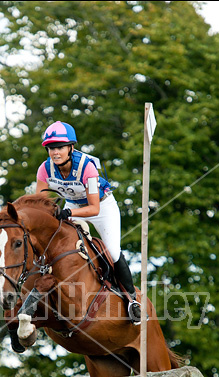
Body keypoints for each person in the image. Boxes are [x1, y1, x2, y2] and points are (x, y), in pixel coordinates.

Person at [36, 120, 141, 324]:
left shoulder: (87, 167)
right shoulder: (44, 169)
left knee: (112, 250)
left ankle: (131, 299)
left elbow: (94, 209)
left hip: (101, 207)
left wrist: (67, 213)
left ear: (71, 148)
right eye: (51, 148)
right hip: (72, 206)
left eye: (59, 147)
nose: (55, 152)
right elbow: (40, 204)